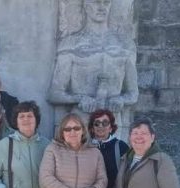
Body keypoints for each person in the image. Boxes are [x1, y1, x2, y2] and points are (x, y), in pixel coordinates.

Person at [47, 0, 138, 140]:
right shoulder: (71, 43)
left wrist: (121, 99)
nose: (101, 7)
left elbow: (133, 93)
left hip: (112, 121)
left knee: (113, 154)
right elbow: (54, 94)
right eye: (96, 2)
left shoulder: (125, 44)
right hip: (80, 121)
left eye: (106, 2)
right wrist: (80, 98)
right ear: (86, 6)